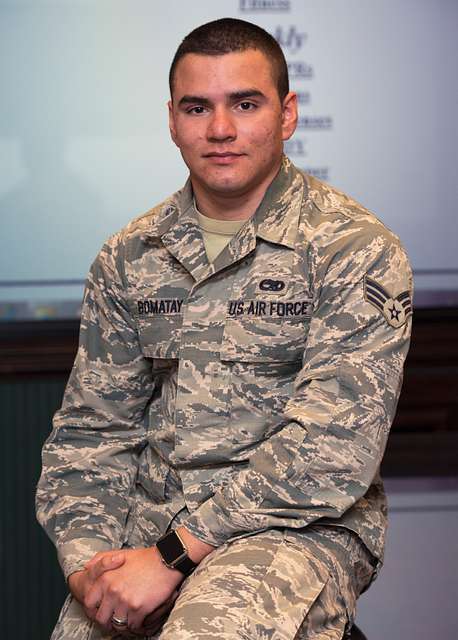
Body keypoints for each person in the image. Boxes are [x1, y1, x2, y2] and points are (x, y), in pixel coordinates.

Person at [36, 17, 413, 640]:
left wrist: (174, 556)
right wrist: (89, 567)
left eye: (245, 104)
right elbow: (92, 432)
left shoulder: (353, 249)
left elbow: (332, 451)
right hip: (151, 530)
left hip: (293, 533)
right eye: (196, 107)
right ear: (172, 119)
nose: (220, 130)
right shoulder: (130, 256)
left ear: (287, 115)